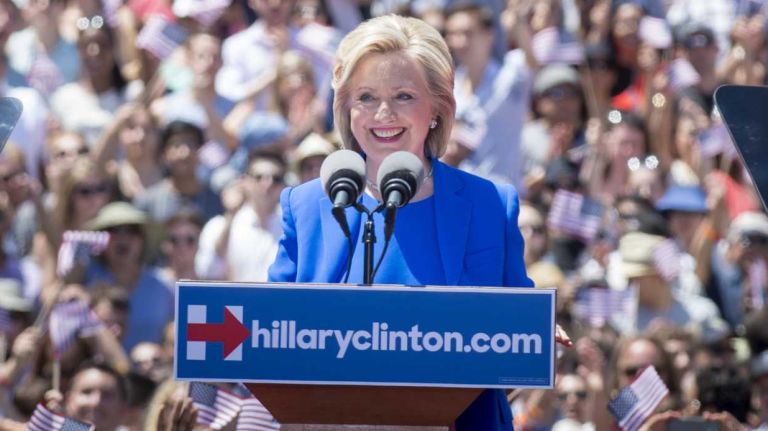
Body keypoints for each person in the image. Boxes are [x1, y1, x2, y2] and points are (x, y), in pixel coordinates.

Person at [267, 14, 570, 431]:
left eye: (404, 96)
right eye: (366, 96)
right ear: (346, 108)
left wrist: (533, 333)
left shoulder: (488, 205)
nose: (384, 113)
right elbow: (267, 335)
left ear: (437, 108)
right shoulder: (305, 206)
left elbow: (516, 328)